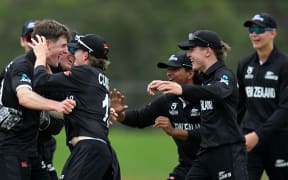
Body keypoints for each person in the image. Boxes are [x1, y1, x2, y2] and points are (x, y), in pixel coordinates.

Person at [147, 30, 248, 180]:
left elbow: (217, 91)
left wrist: (181, 89)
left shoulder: (224, 74)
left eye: (192, 49)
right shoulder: (205, 78)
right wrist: (169, 84)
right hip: (206, 153)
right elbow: (195, 85)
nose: (188, 55)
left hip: (227, 152)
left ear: (207, 51)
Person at [31, 33, 120, 180]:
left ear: (85, 55)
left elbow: (40, 81)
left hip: (89, 150)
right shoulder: (99, 77)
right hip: (103, 151)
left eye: (75, 51)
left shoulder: (83, 73)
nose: (71, 54)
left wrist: (41, 55)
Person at [0, 19, 76, 180]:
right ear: (47, 44)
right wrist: (58, 105)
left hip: (31, 149)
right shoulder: (22, 65)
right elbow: (24, 97)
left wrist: (95, 114)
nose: (66, 51)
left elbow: (56, 110)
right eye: (63, 46)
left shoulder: (47, 69)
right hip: (9, 149)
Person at [110, 51, 201, 180]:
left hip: (212, 165)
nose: (169, 73)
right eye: (168, 69)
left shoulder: (206, 97)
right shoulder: (168, 100)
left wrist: (174, 131)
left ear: (190, 73)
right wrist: (120, 115)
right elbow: (140, 118)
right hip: (187, 166)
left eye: (175, 69)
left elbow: (208, 134)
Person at [237, 12, 288, 180]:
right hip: (249, 141)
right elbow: (240, 105)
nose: (254, 33)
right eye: (251, 29)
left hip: (279, 140)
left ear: (273, 33)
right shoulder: (244, 64)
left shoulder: (284, 65)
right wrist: (233, 132)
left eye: (259, 29)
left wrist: (258, 134)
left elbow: (285, 109)